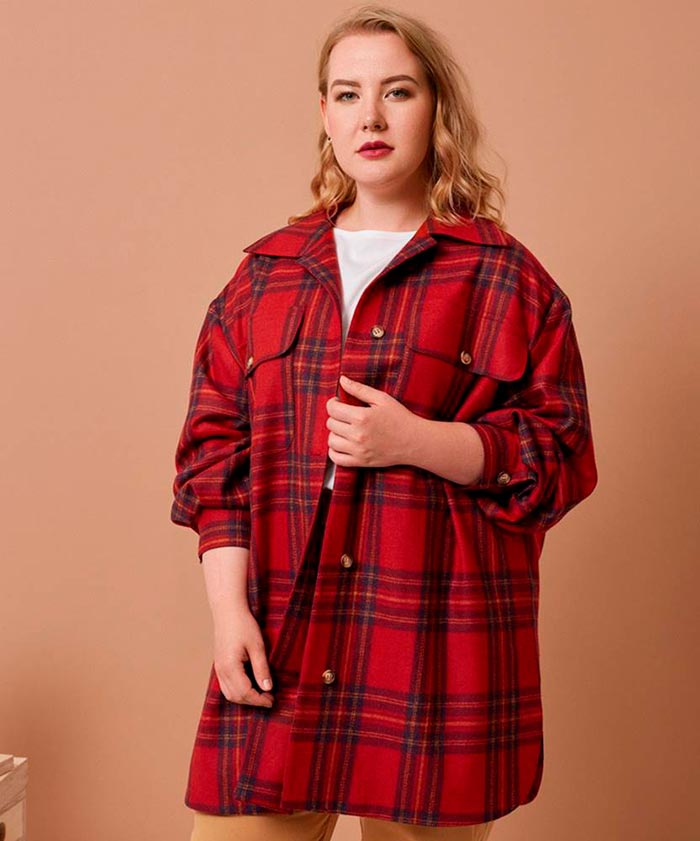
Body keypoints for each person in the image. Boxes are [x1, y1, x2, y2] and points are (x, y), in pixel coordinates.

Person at [170, 5, 599, 840]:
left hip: (430, 642)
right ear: (325, 116)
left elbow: (562, 456)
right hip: (284, 630)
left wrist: (420, 442)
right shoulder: (264, 278)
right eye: (348, 94)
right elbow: (213, 458)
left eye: (397, 92)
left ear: (437, 109)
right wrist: (228, 614)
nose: (370, 116)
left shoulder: (505, 279)